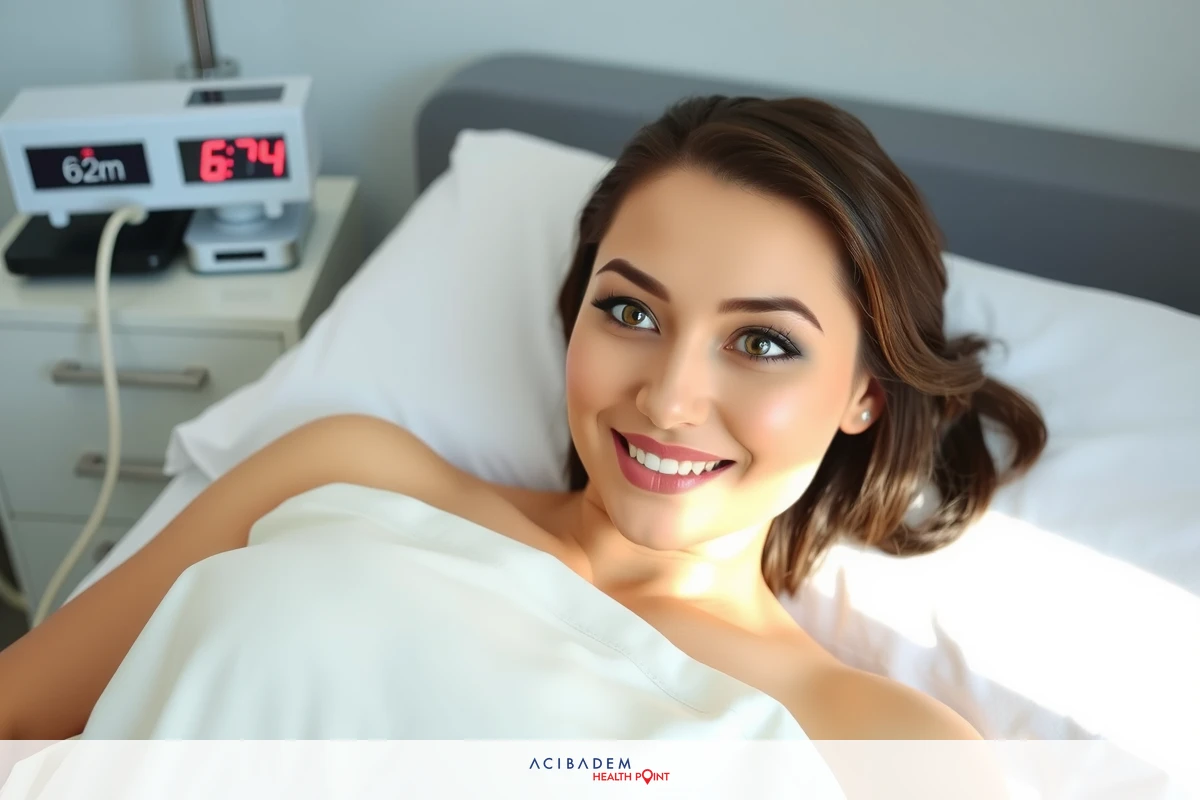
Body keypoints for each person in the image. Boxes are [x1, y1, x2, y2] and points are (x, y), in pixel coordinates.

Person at [0, 94, 1046, 741]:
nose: (670, 396)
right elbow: (22, 711)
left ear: (866, 390)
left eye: (762, 339)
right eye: (629, 310)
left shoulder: (882, 742)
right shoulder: (347, 470)